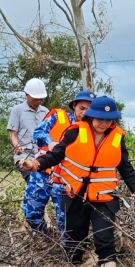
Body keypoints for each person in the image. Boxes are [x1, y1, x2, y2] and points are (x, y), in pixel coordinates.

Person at [21, 96, 135, 267]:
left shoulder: (117, 138)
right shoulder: (74, 132)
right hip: (74, 196)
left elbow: (125, 168)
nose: (103, 123)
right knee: (74, 242)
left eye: (108, 120)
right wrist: (34, 164)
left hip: (104, 197)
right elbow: (55, 156)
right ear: (92, 117)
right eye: (100, 118)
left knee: (104, 239)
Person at [33, 90, 95, 238]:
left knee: (65, 220)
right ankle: (43, 238)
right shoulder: (58, 117)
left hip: (64, 180)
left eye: (89, 110)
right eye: (82, 108)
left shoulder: (92, 128)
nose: (84, 113)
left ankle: (65, 253)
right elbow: (37, 133)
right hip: (42, 172)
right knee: (32, 213)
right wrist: (50, 142)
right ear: (74, 106)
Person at [7, 78, 54, 233]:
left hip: (43, 158)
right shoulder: (17, 110)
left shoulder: (46, 112)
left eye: (40, 99)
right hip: (24, 158)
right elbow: (13, 135)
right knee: (36, 185)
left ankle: (30, 224)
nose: (38, 101)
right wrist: (17, 146)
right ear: (26, 95)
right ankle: (40, 223)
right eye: (35, 99)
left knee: (43, 188)